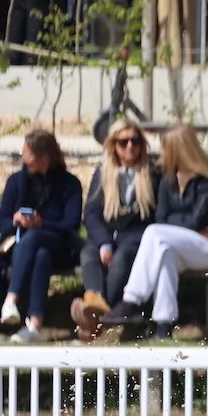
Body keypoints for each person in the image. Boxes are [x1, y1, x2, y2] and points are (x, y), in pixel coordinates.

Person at [100, 124, 208, 339]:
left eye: (166, 147)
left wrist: (178, 225)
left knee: (155, 234)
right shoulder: (169, 178)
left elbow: (198, 221)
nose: (163, 153)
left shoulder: (206, 181)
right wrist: (184, 225)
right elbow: (163, 217)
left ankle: (131, 300)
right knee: (165, 255)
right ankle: (163, 327)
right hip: (183, 244)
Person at [71, 119, 157, 340]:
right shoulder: (103, 173)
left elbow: (155, 219)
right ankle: (97, 306)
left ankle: (94, 316)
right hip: (105, 235)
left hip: (135, 238)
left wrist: (118, 243)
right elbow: (91, 213)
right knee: (88, 253)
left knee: (122, 258)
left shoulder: (151, 173)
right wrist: (104, 243)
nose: (130, 146)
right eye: (123, 142)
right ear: (113, 145)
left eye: (135, 141)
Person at [0, 128, 83, 343]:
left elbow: (71, 224)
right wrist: (16, 220)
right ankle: (35, 324)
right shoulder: (17, 181)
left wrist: (41, 223)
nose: (23, 161)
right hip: (23, 247)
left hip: (61, 245)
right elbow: (2, 221)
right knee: (40, 253)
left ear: (43, 158)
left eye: (27, 156)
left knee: (36, 238)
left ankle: (11, 299)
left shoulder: (70, 184)